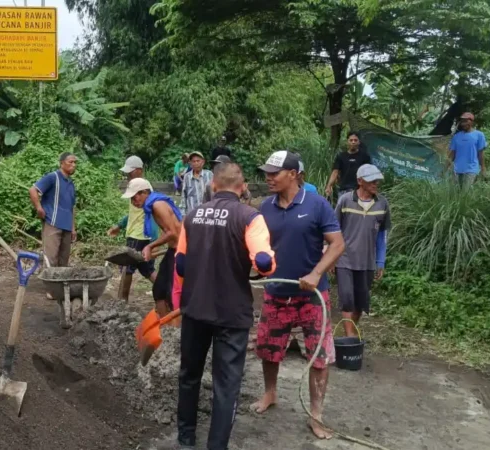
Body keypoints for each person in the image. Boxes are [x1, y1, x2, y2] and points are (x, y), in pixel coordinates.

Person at [174, 161, 276, 450]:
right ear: (242, 188)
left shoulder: (192, 216)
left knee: (189, 376)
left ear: (212, 185)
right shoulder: (250, 217)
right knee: (226, 386)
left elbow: (180, 265)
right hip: (231, 315)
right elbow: (265, 264)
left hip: (195, 309)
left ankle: (185, 440)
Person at [251, 150, 346, 440]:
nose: (268, 178)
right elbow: (255, 245)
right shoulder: (264, 208)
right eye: (266, 172)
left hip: (312, 297)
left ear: (293, 174)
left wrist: (317, 273)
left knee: (319, 356)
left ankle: (316, 414)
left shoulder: (317, 205)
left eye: (274, 173)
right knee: (269, 348)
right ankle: (270, 393)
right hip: (277, 293)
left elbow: (338, 244)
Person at [334, 164, 391, 338]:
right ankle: (350, 337)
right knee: (347, 299)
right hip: (344, 259)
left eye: (377, 180)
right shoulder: (345, 201)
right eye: (371, 180)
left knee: (361, 303)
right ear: (360, 181)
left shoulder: (382, 204)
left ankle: (350, 331)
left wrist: (380, 261)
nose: (376, 183)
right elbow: (333, 230)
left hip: (367, 261)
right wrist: (330, 256)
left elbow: (382, 235)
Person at [122, 178, 182, 317]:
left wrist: (150, 246)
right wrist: (158, 250)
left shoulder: (157, 205)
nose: (133, 202)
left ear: (143, 193)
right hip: (173, 249)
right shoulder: (153, 205)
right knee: (159, 289)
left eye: (134, 197)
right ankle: (165, 325)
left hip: (179, 251)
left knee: (167, 290)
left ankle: (172, 326)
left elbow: (172, 232)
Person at [108, 156, 157, 301]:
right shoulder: (137, 186)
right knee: (147, 269)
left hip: (138, 235)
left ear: (139, 171)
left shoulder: (142, 188)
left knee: (127, 268)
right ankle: (168, 293)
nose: (128, 175)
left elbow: (149, 212)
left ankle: (122, 301)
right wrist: (120, 225)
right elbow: (134, 213)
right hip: (143, 234)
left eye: (131, 172)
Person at [30, 152, 77, 270]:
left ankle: (59, 287)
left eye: (75, 162)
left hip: (66, 226)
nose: (74, 165)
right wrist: (39, 208)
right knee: (51, 259)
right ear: (61, 163)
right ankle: (49, 287)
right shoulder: (53, 177)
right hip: (53, 224)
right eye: (70, 162)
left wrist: (73, 228)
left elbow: (71, 207)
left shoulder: (71, 184)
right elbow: (33, 190)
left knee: (63, 261)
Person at [325, 132, 372, 200]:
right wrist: (329, 186)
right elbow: (335, 172)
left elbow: (368, 173)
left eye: (355, 140)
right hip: (344, 190)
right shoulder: (341, 156)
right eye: (351, 140)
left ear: (359, 142)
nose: (353, 142)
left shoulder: (365, 156)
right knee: (343, 210)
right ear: (347, 141)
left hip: (359, 191)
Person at [448, 112, 487, 187]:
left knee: (466, 193)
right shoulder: (456, 136)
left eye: (466, 121)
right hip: (456, 169)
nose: (463, 123)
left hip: (471, 169)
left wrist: (483, 168)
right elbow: (452, 154)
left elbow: (480, 153)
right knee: (454, 194)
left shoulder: (479, 135)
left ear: (472, 122)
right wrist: (445, 169)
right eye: (462, 121)